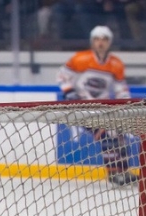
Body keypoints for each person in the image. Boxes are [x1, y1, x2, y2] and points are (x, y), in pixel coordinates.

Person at [57, 25, 134, 185]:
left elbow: (120, 88)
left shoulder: (116, 64)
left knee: (118, 134)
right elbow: (62, 76)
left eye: (104, 39)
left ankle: (124, 171)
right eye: (97, 39)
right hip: (81, 107)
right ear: (92, 41)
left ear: (109, 42)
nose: (100, 42)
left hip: (103, 108)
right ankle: (113, 173)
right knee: (104, 134)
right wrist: (70, 92)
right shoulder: (80, 59)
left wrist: (124, 103)